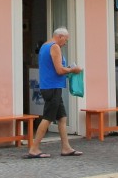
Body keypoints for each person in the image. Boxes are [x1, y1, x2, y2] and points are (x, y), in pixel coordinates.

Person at [26, 27, 83, 159]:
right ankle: (34, 148)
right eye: (66, 40)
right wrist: (73, 70)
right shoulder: (55, 47)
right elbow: (59, 70)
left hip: (50, 86)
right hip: (52, 87)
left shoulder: (45, 46)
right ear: (60, 36)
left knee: (62, 117)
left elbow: (54, 68)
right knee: (47, 118)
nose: (65, 43)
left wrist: (67, 69)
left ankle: (66, 148)